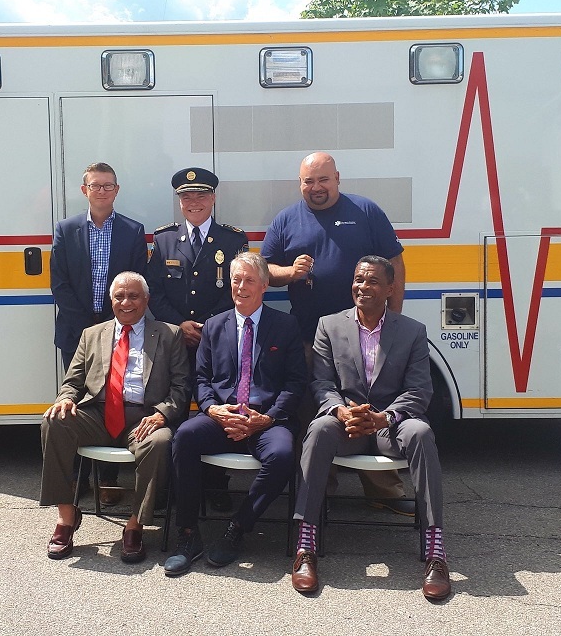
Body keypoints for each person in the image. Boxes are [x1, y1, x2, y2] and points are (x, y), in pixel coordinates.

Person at [290, 256, 449, 601]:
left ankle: (435, 551)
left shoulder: (411, 331)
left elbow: (420, 390)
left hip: (390, 428)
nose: (363, 287)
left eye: (373, 281)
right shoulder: (329, 326)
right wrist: (340, 410)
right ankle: (306, 546)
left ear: (390, 289)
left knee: (421, 433)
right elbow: (321, 382)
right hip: (346, 425)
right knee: (317, 431)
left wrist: (386, 417)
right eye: (359, 279)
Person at [262, 151, 408, 508]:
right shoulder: (286, 219)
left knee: (371, 404)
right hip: (310, 336)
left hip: (364, 332)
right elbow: (265, 272)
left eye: (323, 179)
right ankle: (319, 490)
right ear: (300, 184)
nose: (316, 188)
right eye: (308, 181)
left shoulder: (365, 211)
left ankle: (383, 493)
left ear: (337, 178)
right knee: (315, 410)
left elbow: (395, 264)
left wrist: (394, 319)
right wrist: (291, 272)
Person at [164, 252, 306, 577]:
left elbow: (296, 382)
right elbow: (200, 378)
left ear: (265, 285)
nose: (241, 287)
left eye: (249, 280)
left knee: (283, 454)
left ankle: (238, 527)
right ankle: (187, 535)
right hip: (222, 415)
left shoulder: (284, 326)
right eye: (236, 280)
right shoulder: (215, 326)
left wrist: (267, 418)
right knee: (183, 437)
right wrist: (212, 408)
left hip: (265, 419)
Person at [40, 272, 189, 564]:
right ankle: (67, 518)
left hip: (143, 418)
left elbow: (182, 388)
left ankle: (134, 525)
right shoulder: (92, 334)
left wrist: (162, 413)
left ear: (146, 300)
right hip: (98, 414)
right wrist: (67, 399)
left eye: (134, 296)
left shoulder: (169, 334)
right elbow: (73, 381)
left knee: (160, 442)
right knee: (53, 421)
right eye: (120, 296)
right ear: (111, 301)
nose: (126, 302)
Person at [146, 166, 249, 510]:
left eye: (201, 195)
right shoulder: (163, 239)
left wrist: (207, 326)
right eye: (186, 196)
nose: (193, 201)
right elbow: (154, 292)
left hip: (217, 340)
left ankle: (216, 483)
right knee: (171, 407)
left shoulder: (233, 240)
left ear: (214, 198)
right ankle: (170, 483)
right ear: (179, 202)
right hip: (175, 341)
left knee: (217, 405)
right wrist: (180, 325)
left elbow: (236, 291)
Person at [50, 162, 148, 503]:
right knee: (75, 401)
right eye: (96, 186)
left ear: (117, 191)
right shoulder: (66, 229)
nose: (102, 191)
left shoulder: (133, 231)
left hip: (117, 331)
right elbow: (59, 284)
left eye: (108, 186)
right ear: (85, 190)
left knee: (112, 399)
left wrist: (110, 325)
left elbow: (135, 286)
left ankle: (107, 478)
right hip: (76, 332)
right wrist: (89, 329)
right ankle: (78, 478)